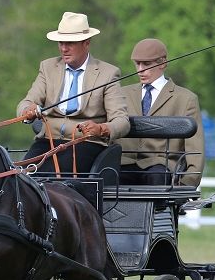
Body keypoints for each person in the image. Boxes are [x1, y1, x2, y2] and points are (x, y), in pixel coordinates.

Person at [18, 12, 129, 174]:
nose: (63, 48)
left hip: (85, 143)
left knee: (61, 176)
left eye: (70, 43)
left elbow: (122, 120)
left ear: (87, 43)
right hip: (47, 141)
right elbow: (26, 102)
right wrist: (27, 110)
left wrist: (101, 129)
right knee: (20, 177)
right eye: (60, 43)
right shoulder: (47, 67)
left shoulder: (108, 73)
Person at [120, 38, 204, 187]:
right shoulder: (121, 94)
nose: (140, 69)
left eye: (146, 64)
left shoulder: (185, 99)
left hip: (160, 167)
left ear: (163, 63)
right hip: (124, 164)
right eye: (137, 64)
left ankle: (158, 210)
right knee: (106, 175)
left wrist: (187, 183)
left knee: (157, 175)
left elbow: (195, 148)